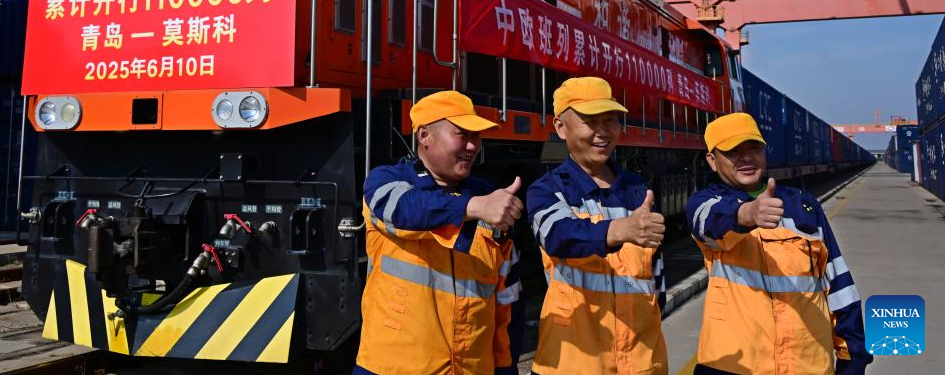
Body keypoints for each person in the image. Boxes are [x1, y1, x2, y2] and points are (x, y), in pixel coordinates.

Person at [687, 112, 871, 375]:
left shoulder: (804, 207)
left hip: (807, 365)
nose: (746, 157)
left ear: (764, 151)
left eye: (753, 148)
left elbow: (840, 288)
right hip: (734, 367)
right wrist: (747, 214)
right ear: (712, 161)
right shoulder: (706, 203)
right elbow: (706, 223)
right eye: (733, 151)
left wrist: (853, 358)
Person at [354, 90, 523, 375]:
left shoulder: (487, 196)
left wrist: (507, 367)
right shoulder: (385, 182)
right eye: (462, 134)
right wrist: (473, 207)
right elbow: (407, 210)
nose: (473, 145)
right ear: (424, 135)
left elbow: (508, 297)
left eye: (476, 136)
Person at [527, 77, 668, 375]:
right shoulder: (546, 190)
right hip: (574, 365)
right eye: (590, 122)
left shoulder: (639, 190)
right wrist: (620, 230)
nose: (602, 132)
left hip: (642, 363)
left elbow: (657, 279)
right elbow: (557, 236)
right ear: (560, 127)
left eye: (610, 120)